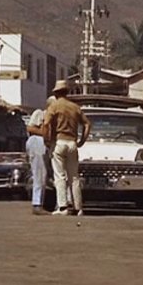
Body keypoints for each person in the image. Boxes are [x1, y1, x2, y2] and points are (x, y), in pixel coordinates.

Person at [43, 80, 91, 216]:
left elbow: (46, 124)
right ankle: (78, 207)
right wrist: (82, 141)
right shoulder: (75, 107)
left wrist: (46, 140)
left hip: (58, 142)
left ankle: (63, 207)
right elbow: (87, 124)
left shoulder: (54, 106)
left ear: (56, 93)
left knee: (59, 176)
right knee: (74, 177)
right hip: (72, 143)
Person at [26, 97, 54, 215]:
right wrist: (46, 133)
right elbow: (30, 128)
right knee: (39, 174)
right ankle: (37, 204)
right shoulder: (40, 114)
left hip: (46, 145)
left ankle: (43, 202)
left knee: (45, 175)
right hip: (37, 142)